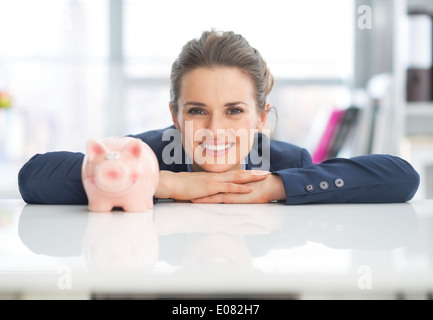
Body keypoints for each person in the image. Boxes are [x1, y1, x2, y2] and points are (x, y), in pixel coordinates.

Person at [18, 30, 420, 205]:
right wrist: (167, 182)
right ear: (174, 115)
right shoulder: (143, 156)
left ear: (262, 117)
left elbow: (402, 177)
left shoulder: (286, 164)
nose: (215, 131)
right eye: (197, 111)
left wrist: (273, 188)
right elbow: (34, 177)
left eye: (234, 111)